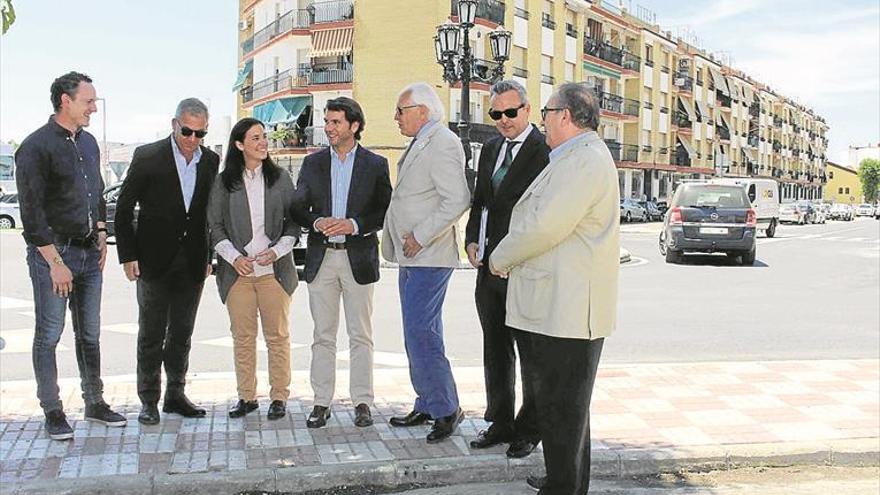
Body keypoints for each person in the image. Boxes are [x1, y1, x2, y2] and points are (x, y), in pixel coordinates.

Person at [489, 83, 620, 494]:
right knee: (565, 412)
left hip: (567, 312)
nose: (541, 120)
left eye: (546, 112)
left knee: (564, 411)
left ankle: (564, 487)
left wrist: (500, 257)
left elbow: (545, 225)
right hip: (558, 307)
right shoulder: (573, 157)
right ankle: (563, 481)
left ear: (565, 116)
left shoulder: (584, 160)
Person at [16, 71, 126, 440]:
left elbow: (94, 190)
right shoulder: (35, 147)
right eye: (88, 101)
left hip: (87, 254)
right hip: (54, 255)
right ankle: (53, 411)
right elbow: (31, 214)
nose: (94, 107)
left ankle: (94, 403)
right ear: (66, 100)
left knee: (90, 334)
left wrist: (100, 233)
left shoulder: (90, 143)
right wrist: (55, 263)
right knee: (49, 335)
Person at [115, 98, 220, 425]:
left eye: (199, 133)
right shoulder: (147, 156)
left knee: (182, 333)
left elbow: (210, 215)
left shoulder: (211, 161)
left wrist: (209, 256)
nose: (192, 139)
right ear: (174, 124)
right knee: (151, 333)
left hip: (192, 262)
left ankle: (176, 394)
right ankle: (148, 400)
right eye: (187, 130)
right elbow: (123, 208)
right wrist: (128, 255)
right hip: (152, 261)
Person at [290, 97, 391, 428]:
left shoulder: (376, 165)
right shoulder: (313, 163)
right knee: (323, 335)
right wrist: (317, 222)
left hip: (358, 258)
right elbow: (298, 206)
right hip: (322, 259)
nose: (328, 128)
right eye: (327, 121)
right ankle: (321, 402)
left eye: (335, 122)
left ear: (354, 126)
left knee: (361, 334)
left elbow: (383, 210)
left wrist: (355, 225)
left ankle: (362, 401)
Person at [382, 82, 471, 443]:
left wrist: (420, 235)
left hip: (428, 255)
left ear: (422, 110)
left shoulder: (444, 143)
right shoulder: (423, 141)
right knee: (414, 333)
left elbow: (457, 199)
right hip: (413, 257)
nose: (396, 117)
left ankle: (447, 409)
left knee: (423, 333)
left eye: (401, 110)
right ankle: (428, 401)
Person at [464, 80, 548, 458]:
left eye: (510, 113)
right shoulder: (492, 148)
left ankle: (531, 428)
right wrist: (470, 238)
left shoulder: (545, 150)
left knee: (530, 353)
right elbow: (481, 201)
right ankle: (500, 422)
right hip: (487, 269)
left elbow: (544, 216)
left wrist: (515, 256)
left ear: (528, 110)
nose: (502, 120)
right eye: (496, 114)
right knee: (495, 349)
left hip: (524, 268)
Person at [207, 118, 298, 419]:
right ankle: (246, 397)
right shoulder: (223, 182)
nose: (263, 143)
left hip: (274, 272)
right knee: (243, 338)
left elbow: (293, 223)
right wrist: (233, 258)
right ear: (239, 144)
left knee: (278, 336)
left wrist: (276, 251)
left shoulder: (281, 178)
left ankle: (279, 397)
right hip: (238, 274)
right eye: (255, 138)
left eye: (264, 137)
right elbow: (215, 226)